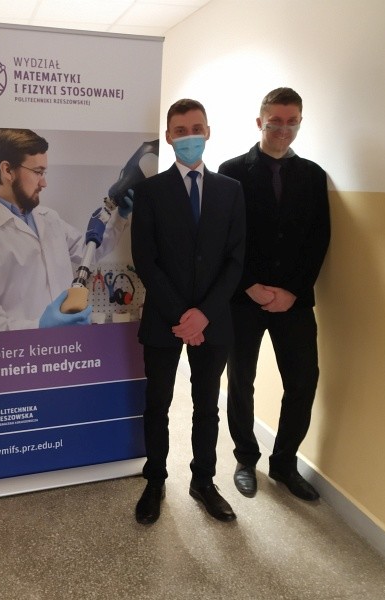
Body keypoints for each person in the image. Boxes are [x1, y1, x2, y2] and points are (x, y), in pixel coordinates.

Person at [131, 99, 245, 524]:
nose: (189, 136)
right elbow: (146, 259)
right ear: (169, 137)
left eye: (196, 128)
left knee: (206, 405)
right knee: (157, 403)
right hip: (165, 317)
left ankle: (204, 481)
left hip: (214, 320)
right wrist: (183, 315)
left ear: (208, 132)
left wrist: (204, 314)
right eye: (180, 130)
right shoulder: (150, 192)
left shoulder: (230, 191)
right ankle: (155, 481)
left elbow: (236, 259)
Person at [218, 87, 330, 502]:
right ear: (260, 122)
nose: (284, 129)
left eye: (292, 121)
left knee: (303, 381)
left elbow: (318, 240)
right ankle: (245, 458)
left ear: (300, 122)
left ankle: (283, 463)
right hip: (243, 298)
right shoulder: (231, 171)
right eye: (276, 121)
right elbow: (225, 237)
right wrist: (249, 284)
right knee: (241, 380)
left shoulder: (313, 176)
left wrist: (293, 292)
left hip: (293, 301)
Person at [0, 128, 132, 336]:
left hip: (66, 345)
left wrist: (120, 216)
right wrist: (39, 326)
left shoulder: (48, 218)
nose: (44, 183)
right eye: (38, 172)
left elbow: (89, 253)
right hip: (21, 352)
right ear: (7, 170)